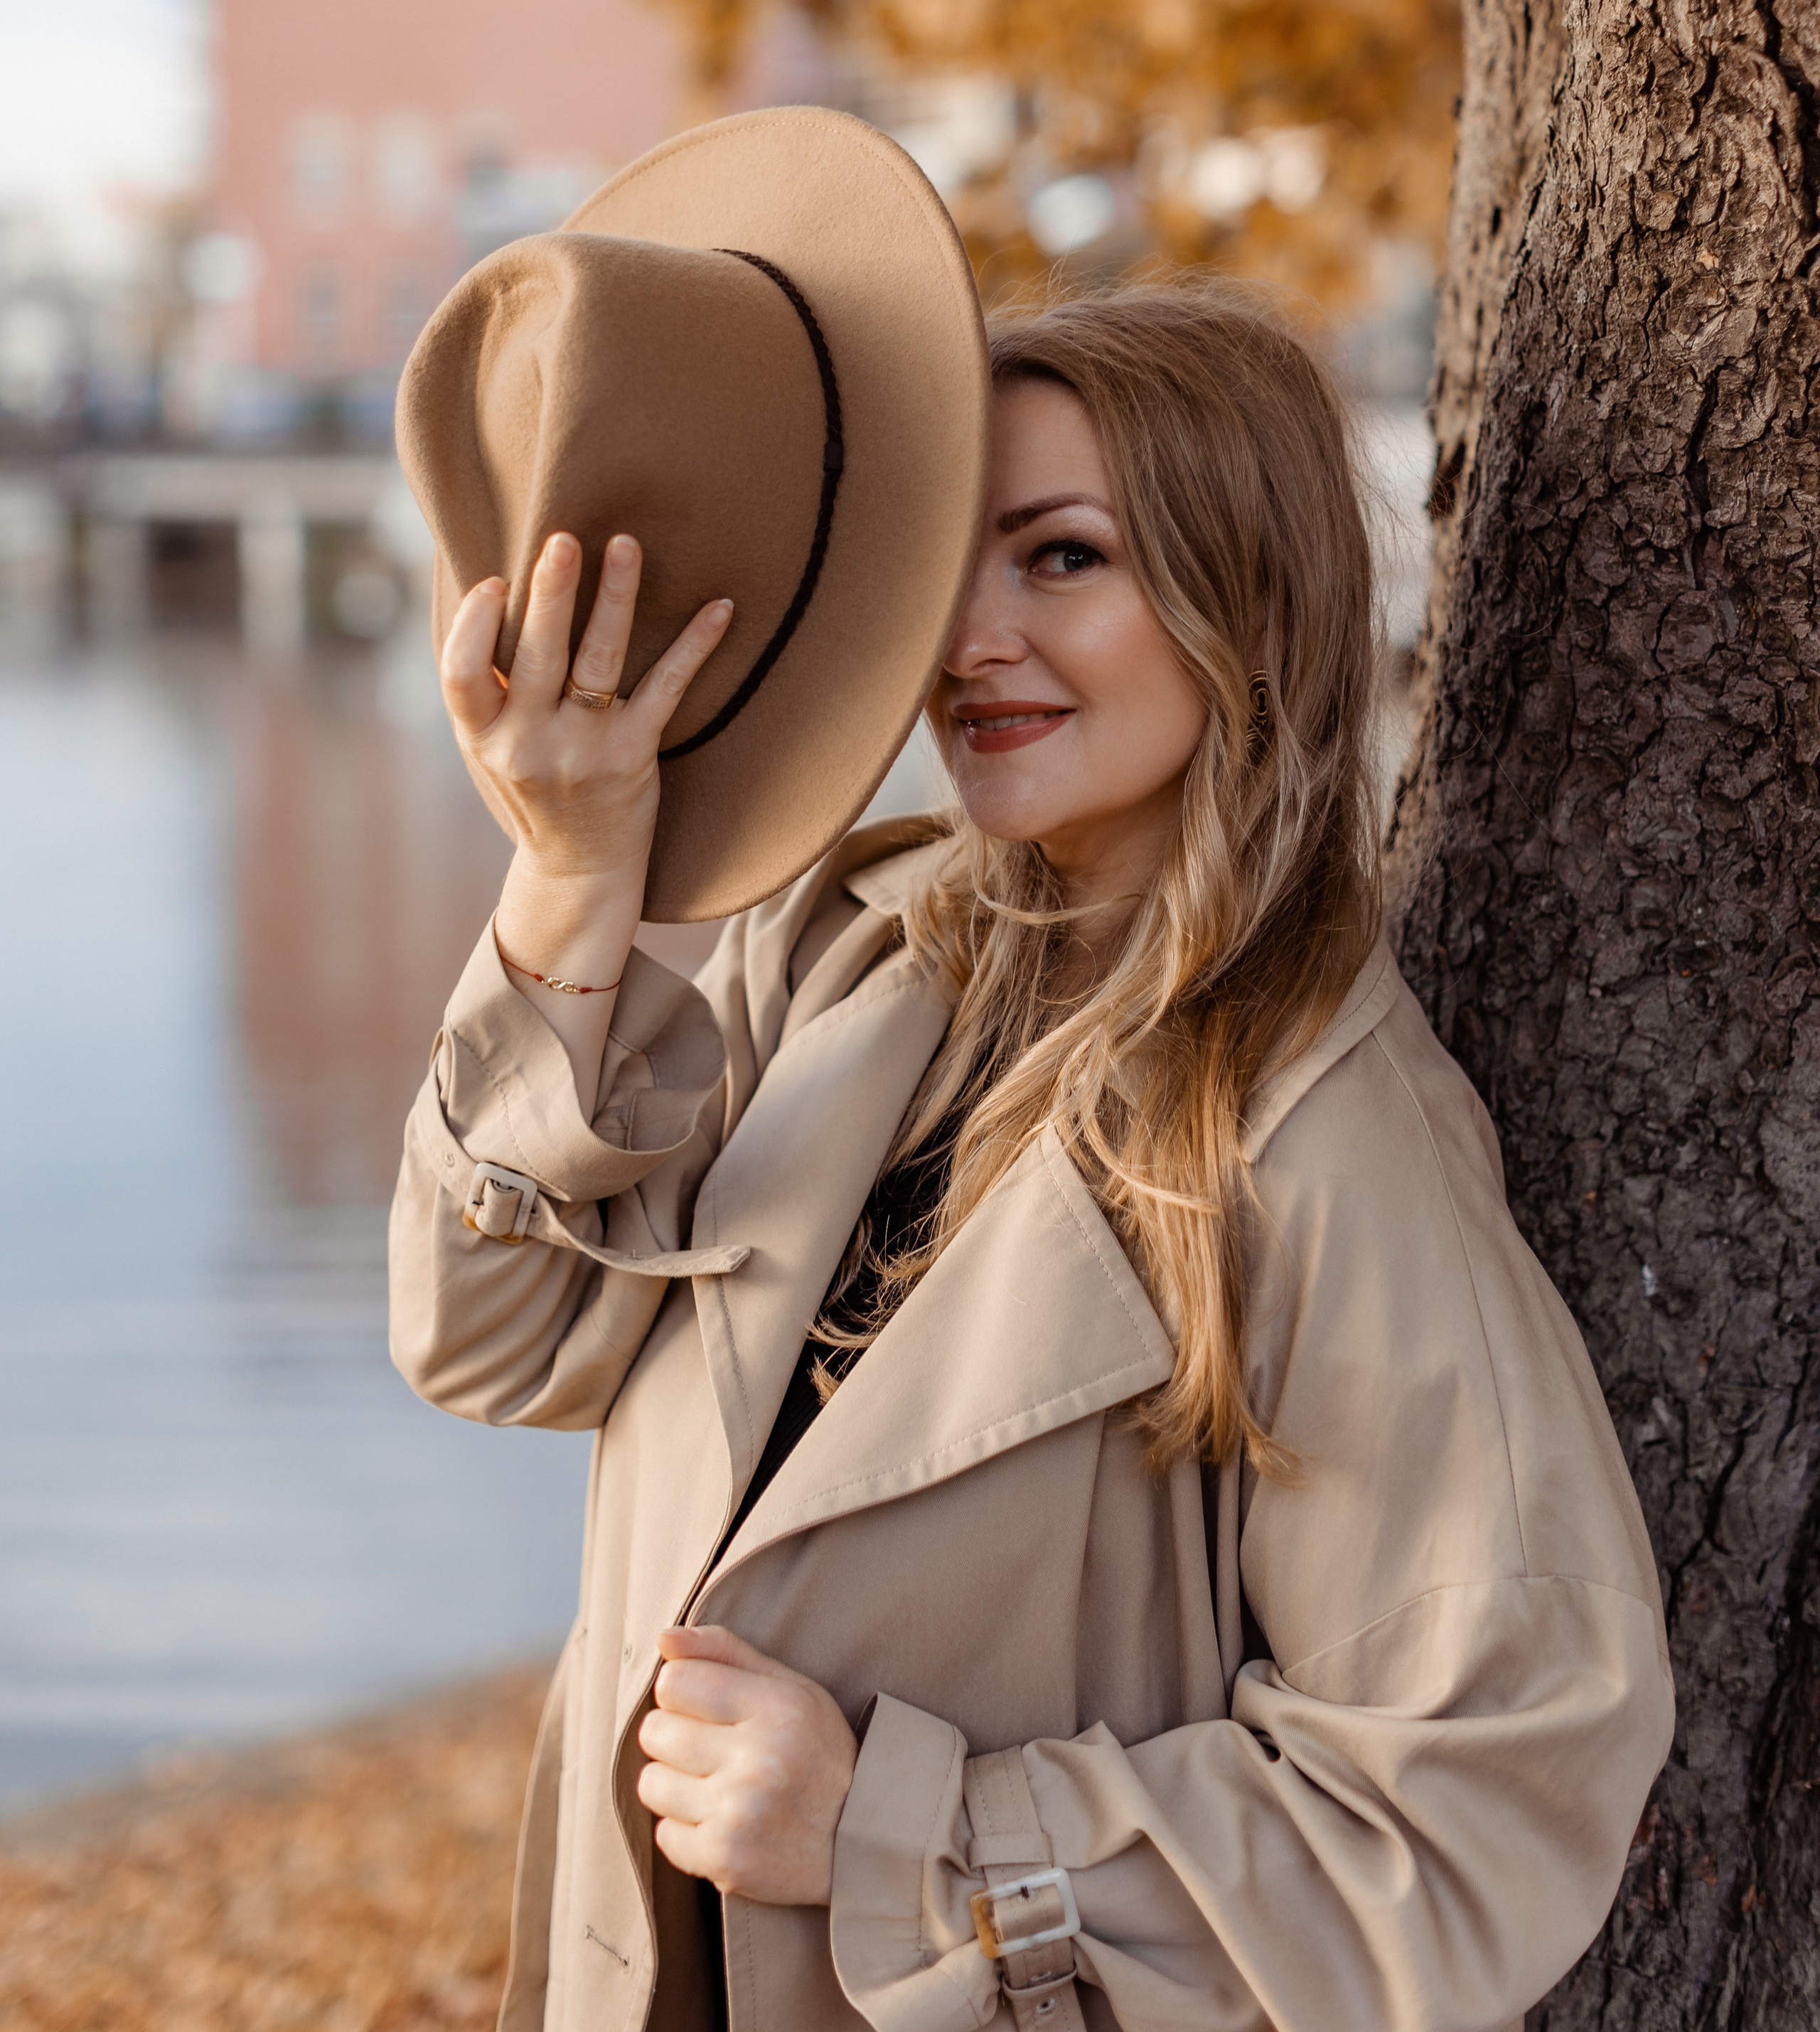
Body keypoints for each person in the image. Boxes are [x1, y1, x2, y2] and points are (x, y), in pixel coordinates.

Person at [390, 109, 1674, 2032]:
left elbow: (1494, 1792)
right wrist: (575, 880)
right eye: (955, 565)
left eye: (1062, 559)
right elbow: (489, 1339)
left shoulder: (1323, 1137)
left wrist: (917, 1838)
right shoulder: (843, 957)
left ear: (1246, 606)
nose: (973, 642)